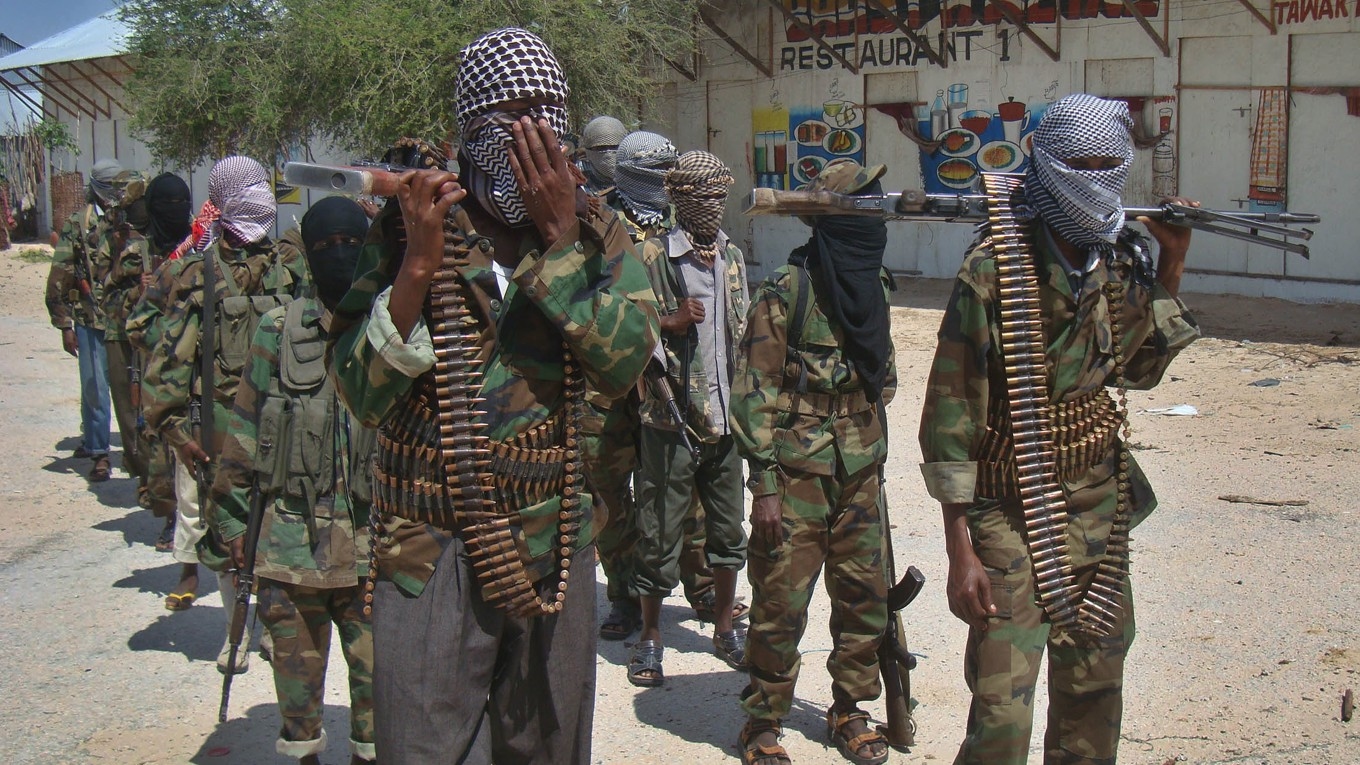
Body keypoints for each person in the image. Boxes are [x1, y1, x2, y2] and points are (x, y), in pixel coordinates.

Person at [327, 27, 658, 764]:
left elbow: (625, 364)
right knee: (421, 746)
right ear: (469, 126)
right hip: (429, 542)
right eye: (509, 117)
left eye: (546, 116)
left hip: (553, 540)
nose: (531, 137)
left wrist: (562, 241)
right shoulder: (412, 226)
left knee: (548, 744)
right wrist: (417, 266)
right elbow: (359, 393)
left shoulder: (597, 235)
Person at [918, 94, 1201, 765]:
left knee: (1094, 698)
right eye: (1080, 164)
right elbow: (951, 417)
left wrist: (1173, 263)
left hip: (1101, 504)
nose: (1095, 179)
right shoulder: (995, 267)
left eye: (1108, 165)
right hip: (1011, 508)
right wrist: (960, 549)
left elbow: (1139, 370)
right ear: (1046, 165)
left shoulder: (1121, 259)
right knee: (1002, 715)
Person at [730, 159, 896, 765]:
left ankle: (850, 708)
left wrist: (865, 442)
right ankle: (763, 718)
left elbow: (883, 377)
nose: (876, 228)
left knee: (864, 598)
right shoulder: (787, 291)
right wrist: (765, 486)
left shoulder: (874, 287)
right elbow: (752, 393)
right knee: (780, 599)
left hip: (860, 471)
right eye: (864, 212)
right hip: (796, 472)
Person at [211, 196, 376, 765]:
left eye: (351, 244)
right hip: (290, 545)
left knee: (380, 696)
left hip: (373, 547)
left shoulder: (390, 326)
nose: (339, 255)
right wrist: (233, 523)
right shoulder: (277, 329)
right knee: (297, 695)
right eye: (326, 246)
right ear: (307, 253)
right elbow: (244, 428)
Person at [128, 155, 308, 671]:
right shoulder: (192, 271)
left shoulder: (291, 267)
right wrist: (178, 430)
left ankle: (270, 628)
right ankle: (236, 633)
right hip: (220, 429)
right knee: (227, 532)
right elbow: (145, 331)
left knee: (281, 528)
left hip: (286, 423)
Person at [628, 150, 749, 687]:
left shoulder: (732, 256)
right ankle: (650, 637)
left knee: (728, 531)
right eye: (703, 196)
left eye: (719, 195)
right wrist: (667, 321)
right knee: (659, 531)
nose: (713, 205)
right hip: (669, 419)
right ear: (678, 198)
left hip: (725, 421)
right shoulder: (651, 254)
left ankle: (724, 628)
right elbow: (622, 326)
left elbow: (741, 336)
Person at [102, 172, 191, 536]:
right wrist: (138, 294)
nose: (174, 211)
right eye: (166, 204)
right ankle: (169, 514)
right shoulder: (136, 252)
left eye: (180, 204)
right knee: (157, 437)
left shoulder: (200, 244)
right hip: (152, 357)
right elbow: (109, 303)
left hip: (193, 355)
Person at [45, 159, 131, 482]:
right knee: (95, 386)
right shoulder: (78, 224)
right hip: (90, 318)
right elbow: (61, 273)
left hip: (127, 320)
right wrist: (65, 325)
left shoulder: (131, 218)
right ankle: (98, 452)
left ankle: (135, 450)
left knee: (130, 386)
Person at [578, 115, 627, 195]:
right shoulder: (578, 180)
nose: (608, 154)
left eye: (615, 147)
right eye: (600, 148)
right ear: (588, 151)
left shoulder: (636, 179)